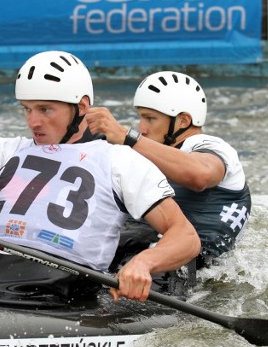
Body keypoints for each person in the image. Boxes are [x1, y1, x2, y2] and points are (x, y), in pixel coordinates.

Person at [0, 52, 200, 304]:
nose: (33, 121)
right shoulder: (6, 148)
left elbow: (185, 236)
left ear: (81, 107)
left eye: (45, 109)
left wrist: (144, 263)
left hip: (54, 294)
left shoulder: (121, 160)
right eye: (27, 109)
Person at [86, 71, 252, 294]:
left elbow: (200, 175)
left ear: (183, 120)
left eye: (150, 119)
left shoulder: (211, 146)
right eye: (141, 117)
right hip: (136, 248)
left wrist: (127, 137)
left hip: (184, 268)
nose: (141, 127)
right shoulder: (148, 153)